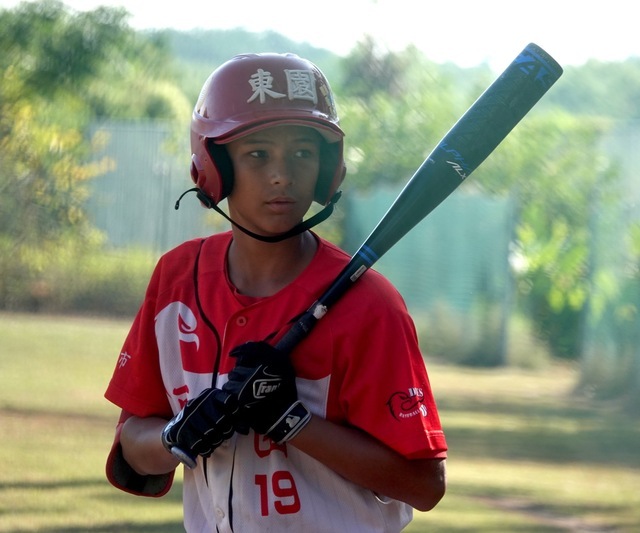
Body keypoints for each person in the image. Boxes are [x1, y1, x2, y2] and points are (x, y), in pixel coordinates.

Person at [104, 52, 447, 532]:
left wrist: (293, 421)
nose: (282, 174)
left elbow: (423, 484)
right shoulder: (176, 279)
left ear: (328, 169)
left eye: (303, 153)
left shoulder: (369, 304)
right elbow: (132, 449)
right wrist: (177, 435)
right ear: (214, 166)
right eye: (257, 154)